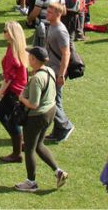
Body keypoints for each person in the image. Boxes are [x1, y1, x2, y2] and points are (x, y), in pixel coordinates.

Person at [14, 46, 67, 193]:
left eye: (30, 56)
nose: (28, 57)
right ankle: (58, 172)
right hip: (50, 112)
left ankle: (31, 183)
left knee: (29, 148)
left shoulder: (37, 78)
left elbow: (34, 104)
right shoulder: (49, 70)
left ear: (34, 59)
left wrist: (21, 98)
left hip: (37, 117)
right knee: (39, 145)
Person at [0, 21, 28, 164]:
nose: (3, 32)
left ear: (12, 34)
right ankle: (20, 144)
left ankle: (17, 152)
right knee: (10, 118)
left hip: (13, 92)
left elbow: (8, 78)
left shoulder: (12, 52)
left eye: (5, 30)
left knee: (6, 116)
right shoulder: (19, 49)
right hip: (20, 90)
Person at [44, 3, 75, 144]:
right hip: (51, 69)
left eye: (50, 12)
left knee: (53, 101)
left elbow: (66, 53)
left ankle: (65, 125)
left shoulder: (60, 31)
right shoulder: (52, 26)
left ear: (58, 14)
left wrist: (61, 74)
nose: (47, 13)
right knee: (53, 100)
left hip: (57, 71)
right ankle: (58, 130)